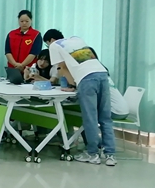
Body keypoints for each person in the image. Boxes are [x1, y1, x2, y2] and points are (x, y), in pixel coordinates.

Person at [43, 29, 116, 166]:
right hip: (102, 75)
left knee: (90, 118)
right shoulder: (77, 39)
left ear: (51, 40)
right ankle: (110, 155)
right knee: (105, 118)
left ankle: (93, 154)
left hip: (86, 79)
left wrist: (72, 85)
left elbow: (63, 68)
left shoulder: (54, 46)